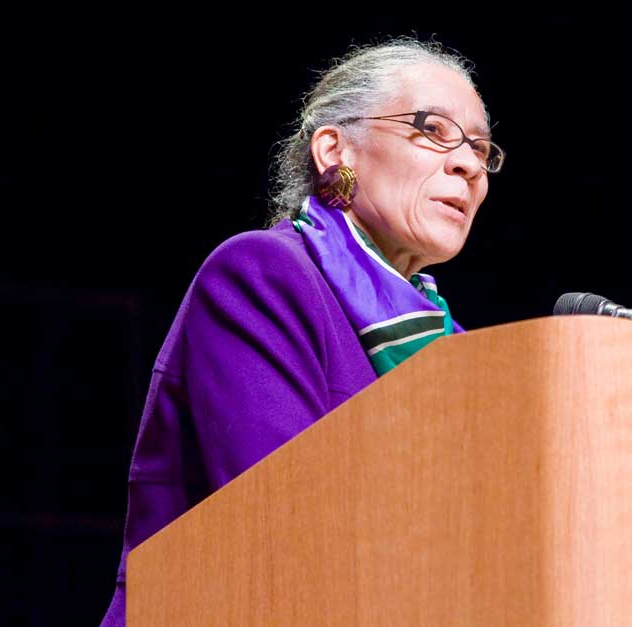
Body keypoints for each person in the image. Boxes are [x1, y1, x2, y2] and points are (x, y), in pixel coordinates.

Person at [99, 38, 503, 625]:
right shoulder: (263, 277)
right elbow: (284, 523)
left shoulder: (456, 348)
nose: (467, 163)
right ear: (336, 150)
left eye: (481, 148)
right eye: (432, 130)